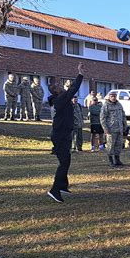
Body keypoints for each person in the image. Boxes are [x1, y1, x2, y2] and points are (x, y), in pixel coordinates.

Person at [47, 62, 84, 203]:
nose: (61, 86)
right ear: (55, 90)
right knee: (63, 163)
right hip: (60, 136)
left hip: (64, 134)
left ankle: (62, 185)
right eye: (58, 85)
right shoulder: (60, 99)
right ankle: (54, 190)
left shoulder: (60, 99)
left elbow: (70, 90)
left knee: (66, 161)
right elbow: (73, 89)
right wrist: (80, 74)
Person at [100, 92, 127, 167]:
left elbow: (123, 116)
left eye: (114, 96)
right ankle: (111, 161)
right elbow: (102, 118)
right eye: (112, 96)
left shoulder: (119, 104)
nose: (113, 98)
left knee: (118, 145)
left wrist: (125, 126)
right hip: (111, 129)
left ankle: (117, 160)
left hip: (119, 129)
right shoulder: (106, 106)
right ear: (109, 97)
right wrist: (105, 129)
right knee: (111, 145)